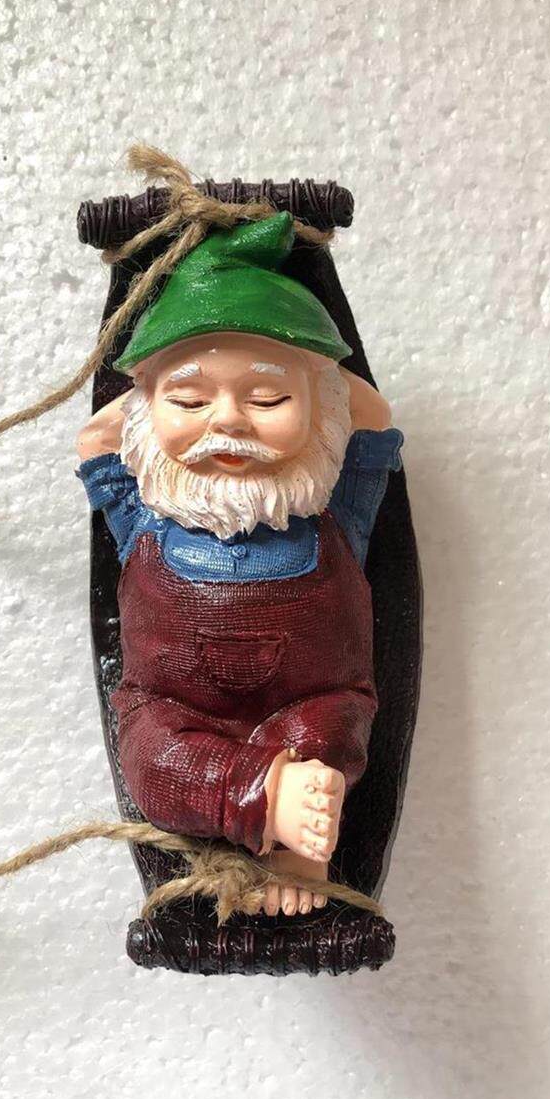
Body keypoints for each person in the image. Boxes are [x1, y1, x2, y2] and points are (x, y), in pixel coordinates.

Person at [77, 212, 403, 916]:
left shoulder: (336, 514)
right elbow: (98, 444)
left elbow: (373, 418)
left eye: (268, 397)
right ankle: (276, 802)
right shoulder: (144, 518)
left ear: (320, 408)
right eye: (190, 400)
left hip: (307, 709)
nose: (227, 420)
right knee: (152, 763)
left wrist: (327, 379)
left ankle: (295, 831)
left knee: (332, 730)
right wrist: (134, 408)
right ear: (146, 411)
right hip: (176, 715)